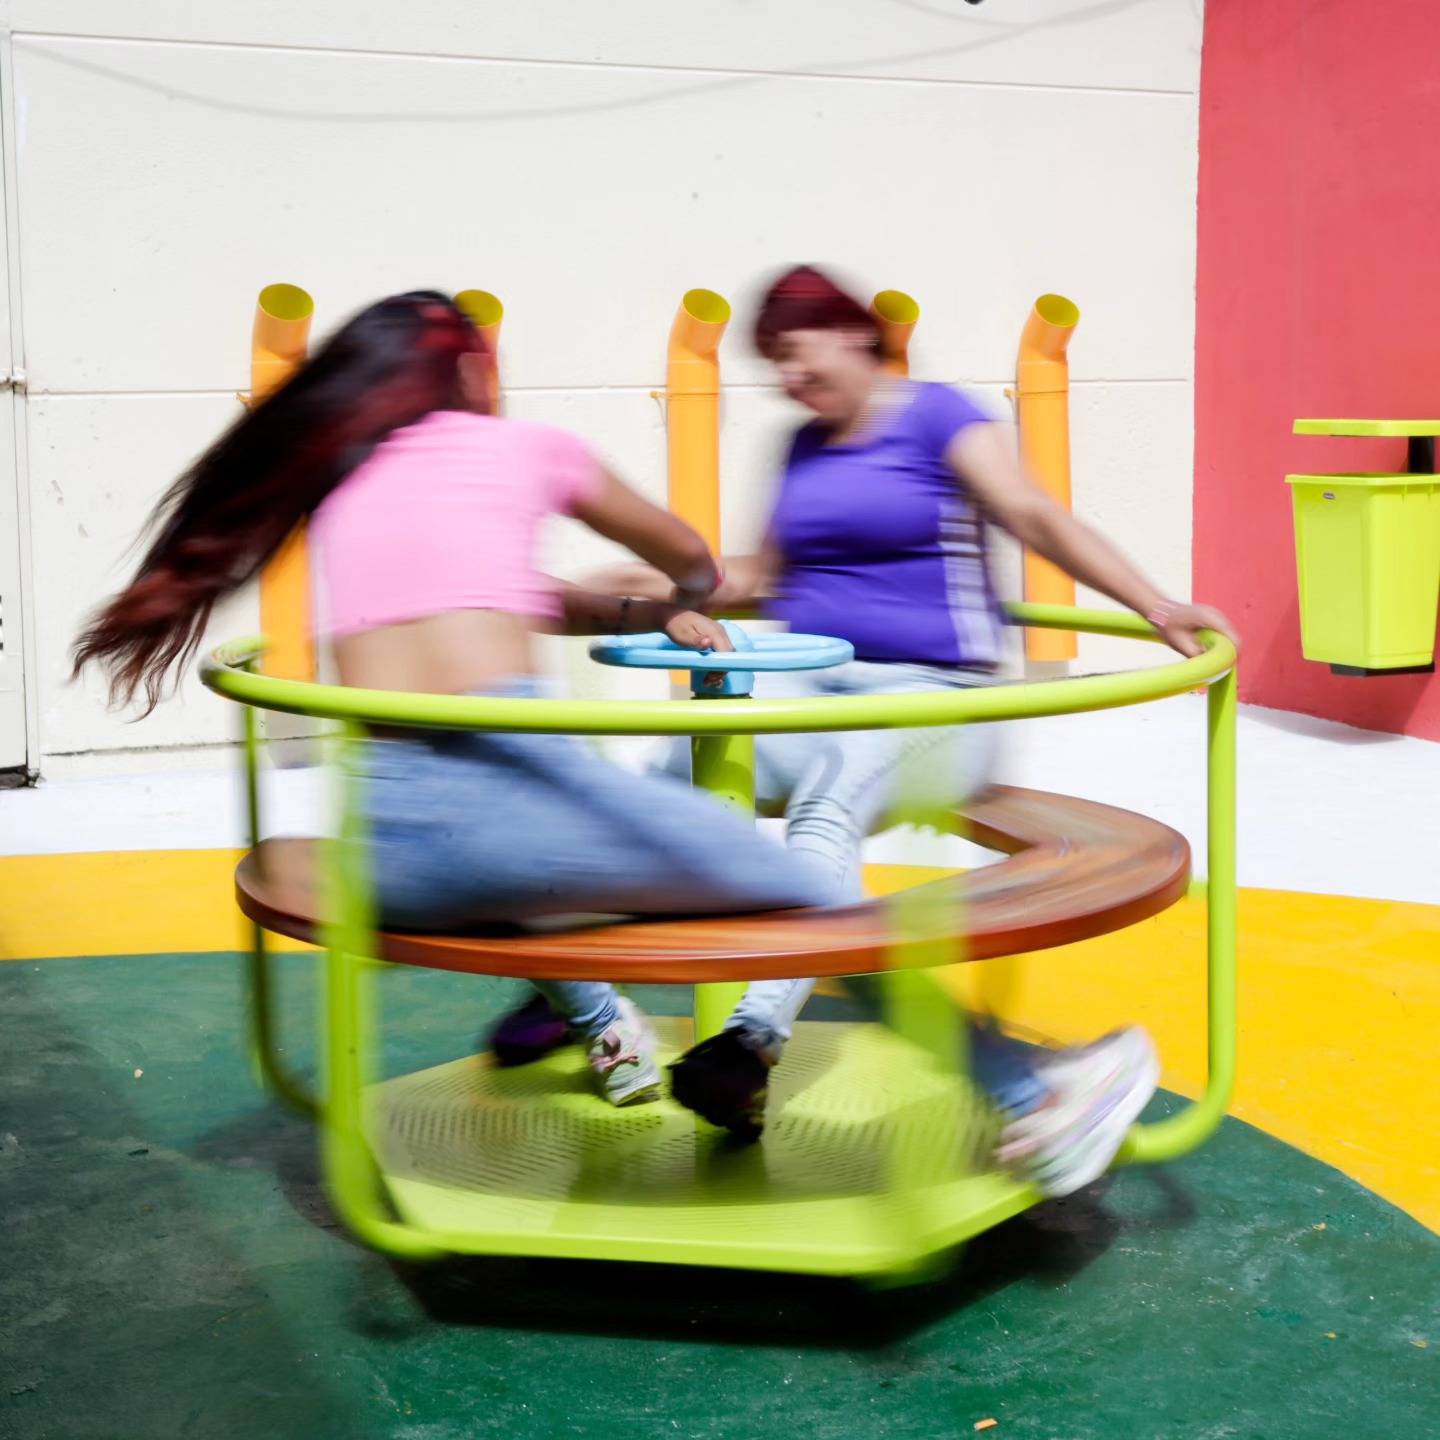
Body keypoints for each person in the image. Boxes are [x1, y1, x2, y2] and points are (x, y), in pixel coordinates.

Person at [503, 265, 1240, 1198]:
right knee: (660, 779)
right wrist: (650, 587)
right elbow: (759, 575)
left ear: (850, 332)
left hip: (935, 702)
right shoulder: (804, 447)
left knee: (834, 792)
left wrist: (1154, 601)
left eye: (792, 351)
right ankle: (602, 1017)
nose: (785, 377)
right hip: (821, 689)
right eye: (770, 363)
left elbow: (1031, 512)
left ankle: (751, 1043)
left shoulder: (939, 417)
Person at [70, 289, 843, 1109]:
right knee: (818, 893)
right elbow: (686, 552)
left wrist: (642, 613)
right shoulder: (527, 448)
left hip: (386, 858)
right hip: (520, 833)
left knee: (523, 880)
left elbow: (519, 598)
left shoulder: (347, 477)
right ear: (475, 369)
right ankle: (914, 1077)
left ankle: (606, 1030)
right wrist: (694, 588)